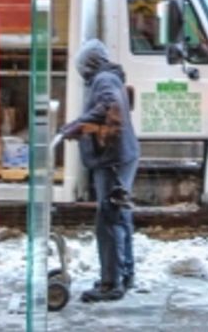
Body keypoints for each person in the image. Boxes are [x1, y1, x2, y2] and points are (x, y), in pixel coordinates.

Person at [56, 39, 139, 303]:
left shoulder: (103, 80)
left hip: (113, 159)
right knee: (120, 216)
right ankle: (124, 274)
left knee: (109, 219)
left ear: (88, 63)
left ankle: (110, 284)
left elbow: (107, 106)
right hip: (121, 156)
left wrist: (78, 126)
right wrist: (77, 125)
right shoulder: (109, 77)